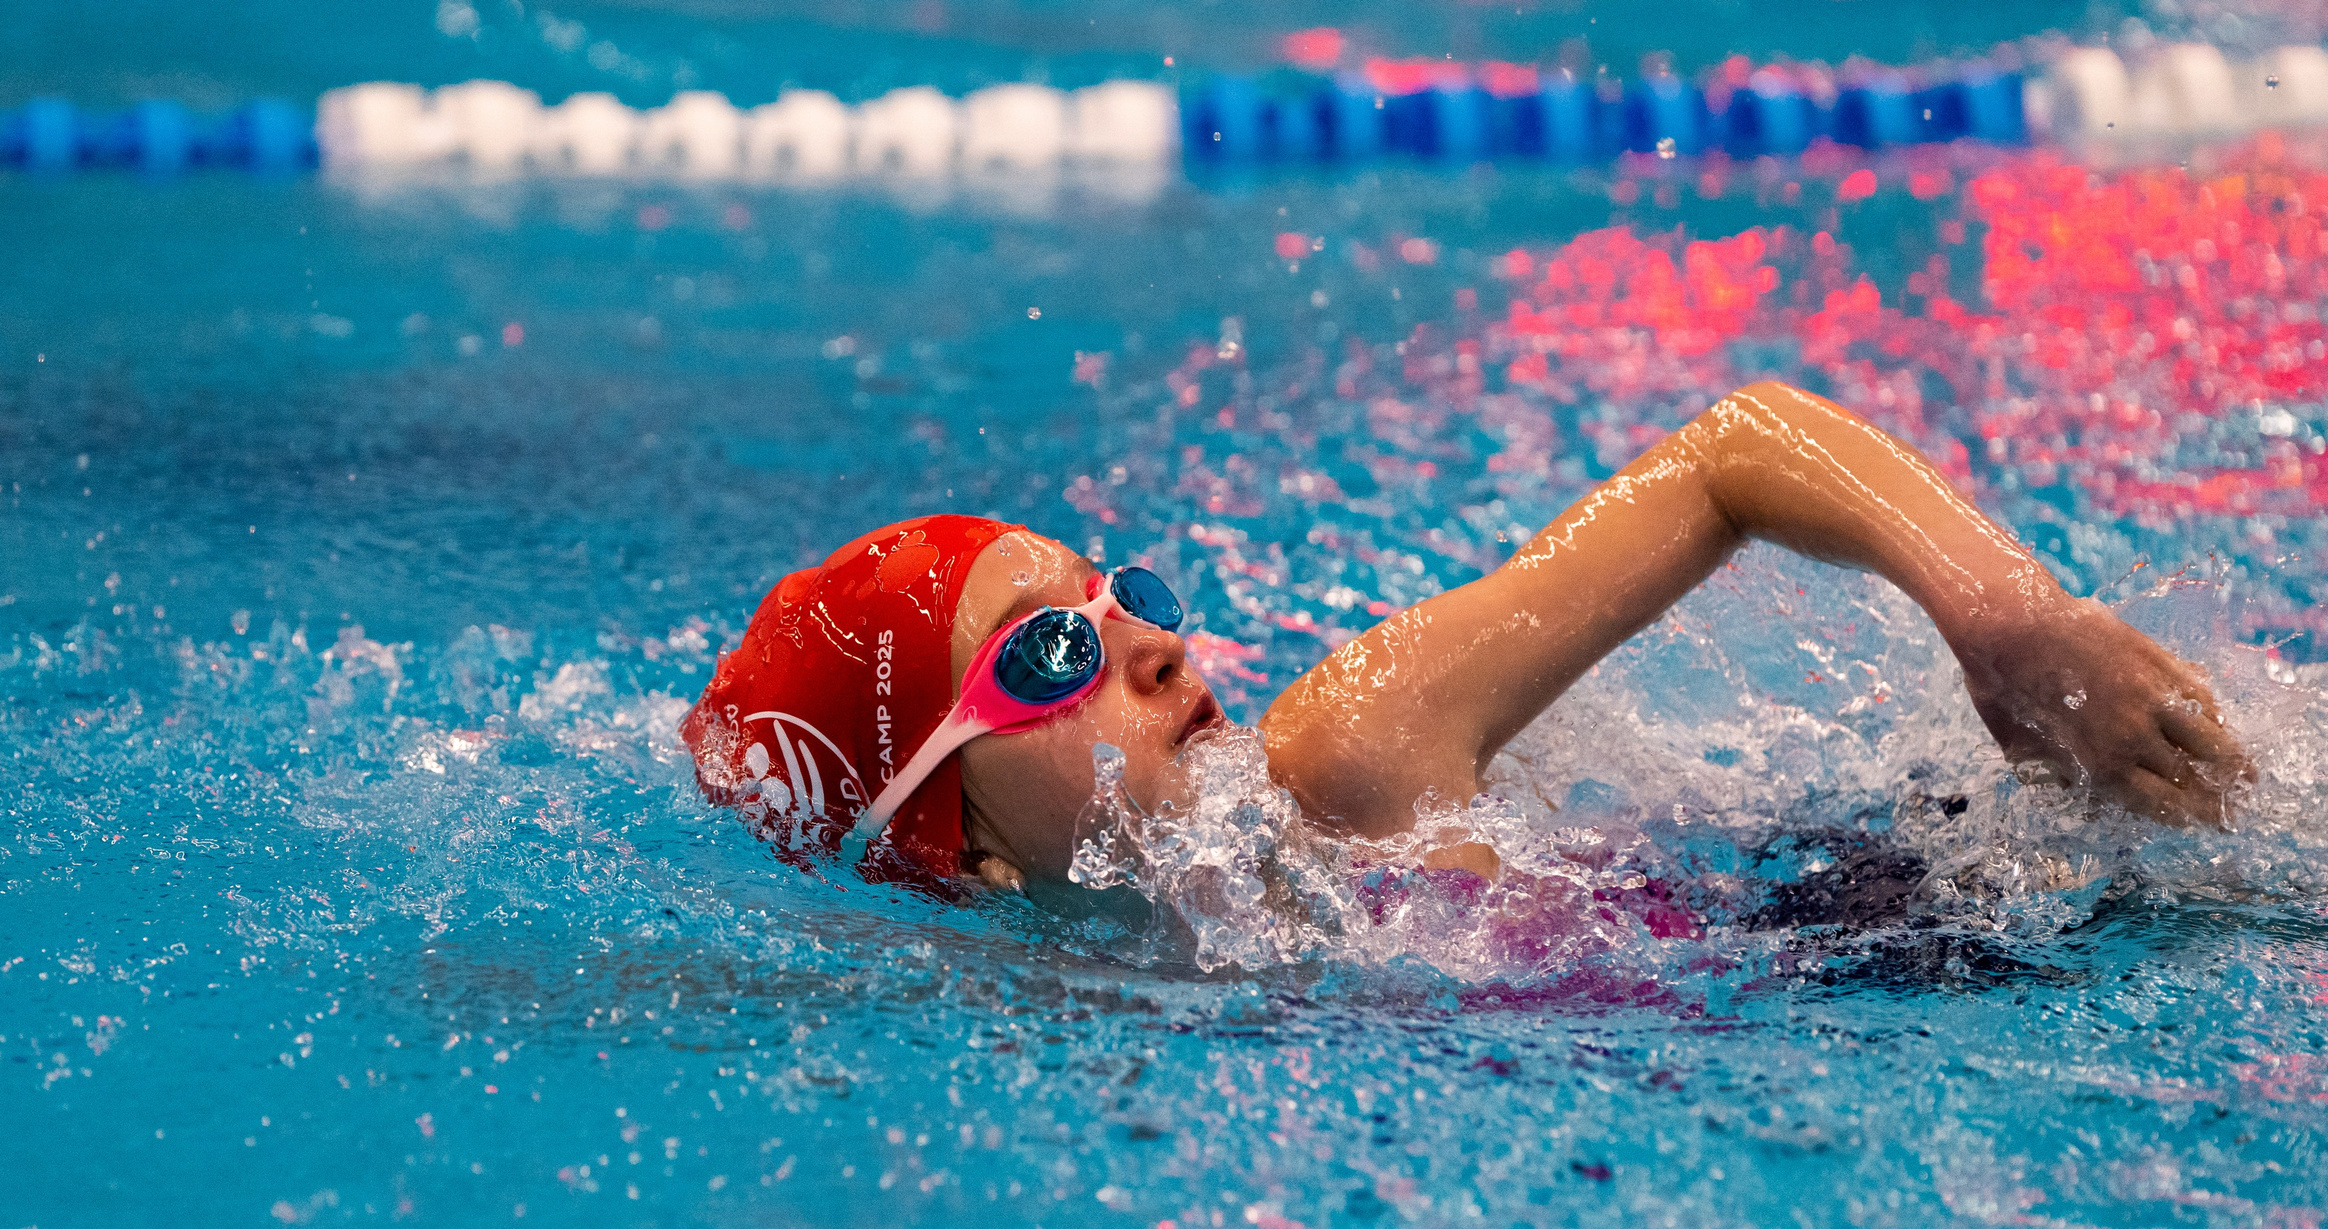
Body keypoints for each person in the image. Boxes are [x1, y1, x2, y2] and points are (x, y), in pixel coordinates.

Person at [682, 381, 2251, 901]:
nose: (1151, 647)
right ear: (953, 842)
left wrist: (2013, 623)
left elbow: (1736, 449)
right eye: (1047, 660)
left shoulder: (1350, 760)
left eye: (1115, 601)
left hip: (1931, 916)